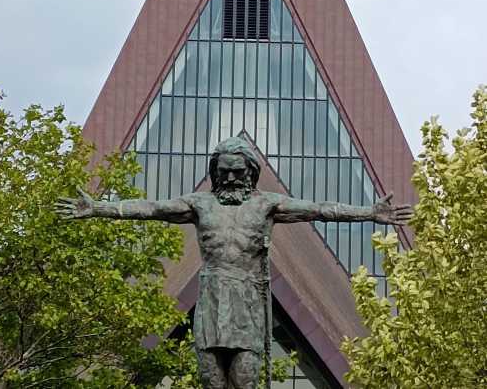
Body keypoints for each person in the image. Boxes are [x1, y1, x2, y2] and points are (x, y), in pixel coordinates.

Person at [55, 137, 412, 389]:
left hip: (247, 300)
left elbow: (320, 209)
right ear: (214, 171)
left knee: (243, 378)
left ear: (250, 172)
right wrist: (99, 208)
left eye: (236, 172)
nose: (228, 178)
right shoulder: (199, 204)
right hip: (211, 298)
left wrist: (369, 212)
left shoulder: (266, 205)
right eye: (223, 171)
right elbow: (150, 208)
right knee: (211, 378)